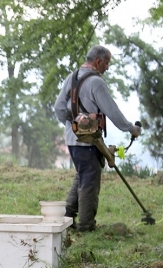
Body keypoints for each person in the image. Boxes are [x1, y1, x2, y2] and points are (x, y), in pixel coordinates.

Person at [54, 45, 142, 232]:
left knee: (83, 175)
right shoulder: (96, 82)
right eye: (107, 63)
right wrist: (130, 129)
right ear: (98, 61)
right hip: (88, 141)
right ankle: (86, 226)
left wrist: (73, 125)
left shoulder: (71, 77)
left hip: (72, 139)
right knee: (89, 180)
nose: (107, 68)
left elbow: (59, 108)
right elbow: (112, 111)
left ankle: (67, 217)